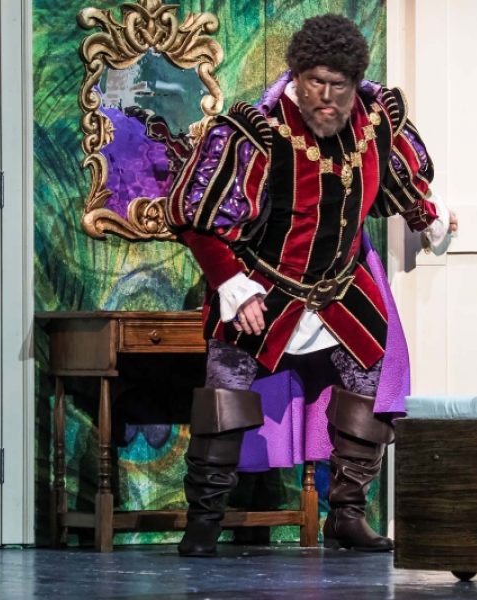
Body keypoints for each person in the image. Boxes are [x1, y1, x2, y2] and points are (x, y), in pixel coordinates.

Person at [166, 13, 456, 557]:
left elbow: (399, 184)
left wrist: (430, 218)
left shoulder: (377, 121)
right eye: (314, 82)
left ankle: (346, 515)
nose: (325, 97)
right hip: (263, 285)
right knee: (225, 390)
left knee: (369, 375)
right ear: (297, 76)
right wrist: (231, 283)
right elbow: (195, 217)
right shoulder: (256, 130)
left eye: (338, 85)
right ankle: (204, 521)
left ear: (355, 83)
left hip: (339, 286)